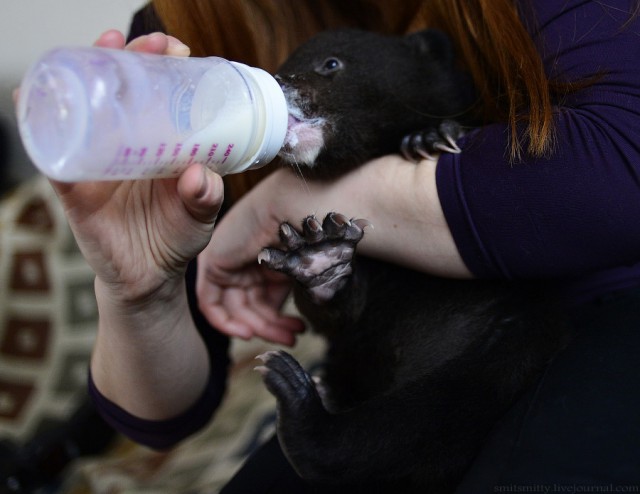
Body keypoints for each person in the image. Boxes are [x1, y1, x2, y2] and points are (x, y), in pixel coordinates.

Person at [48, 0, 640, 491]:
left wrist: (280, 202)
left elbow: (616, 175)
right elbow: (168, 412)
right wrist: (140, 291)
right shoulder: (180, 41)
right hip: (380, 362)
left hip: (595, 319)